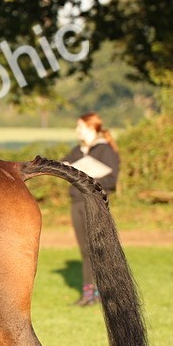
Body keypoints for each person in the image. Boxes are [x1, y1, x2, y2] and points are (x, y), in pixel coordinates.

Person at [62, 112, 120, 306]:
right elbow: (64, 165)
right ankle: (89, 293)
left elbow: (111, 180)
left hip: (94, 203)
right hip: (77, 203)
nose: (77, 131)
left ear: (90, 127)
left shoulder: (105, 150)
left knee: (97, 249)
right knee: (85, 250)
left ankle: (103, 293)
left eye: (80, 127)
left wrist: (87, 176)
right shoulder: (77, 151)